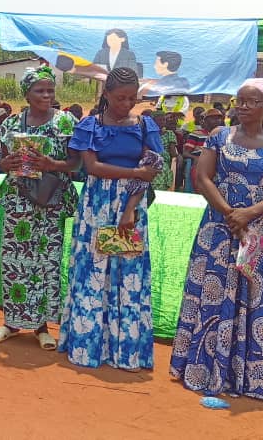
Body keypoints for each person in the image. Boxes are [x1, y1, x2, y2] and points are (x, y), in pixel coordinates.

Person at [170, 78, 263, 400]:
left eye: (252, 101)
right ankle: (202, 370)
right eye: (240, 100)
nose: (243, 106)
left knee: (254, 299)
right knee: (211, 296)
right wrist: (230, 213)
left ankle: (248, 379)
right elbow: (203, 176)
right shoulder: (218, 137)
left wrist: (249, 215)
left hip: (259, 234)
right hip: (218, 230)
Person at [59, 67, 162, 370]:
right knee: (92, 274)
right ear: (106, 95)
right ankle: (87, 347)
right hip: (96, 205)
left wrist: (130, 209)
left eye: (132, 98)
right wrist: (133, 173)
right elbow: (92, 167)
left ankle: (124, 351)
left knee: (126, 277)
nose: (126, 103)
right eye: (120, 98)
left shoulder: (145, 126)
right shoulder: (91, 125)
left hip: (130, 208)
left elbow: (152, 169)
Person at [0, 67, 79, 348]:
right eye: (39, 91)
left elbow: (76, 163)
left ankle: (41, 326)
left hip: (51, 202)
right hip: (19, 200)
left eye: (50, 90)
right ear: (26, 94)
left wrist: (51, 164)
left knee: (45, 262)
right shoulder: (12, 124)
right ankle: (11, 322)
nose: (46, 95)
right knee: (15, 260)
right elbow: (1, 160)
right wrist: (6, 164)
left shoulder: (66, 122)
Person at [151, 111, 178, 191]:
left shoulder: (169, 134)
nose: (162, 122)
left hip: (163, 161)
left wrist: (176, 156)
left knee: (162, 169)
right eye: (159, 120)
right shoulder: (149, 134)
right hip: (150, 159)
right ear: (153, 122)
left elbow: (173, 152)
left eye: (164, 120)